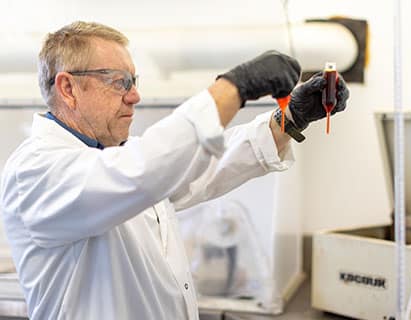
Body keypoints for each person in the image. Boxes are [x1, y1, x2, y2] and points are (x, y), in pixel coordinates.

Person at [0, 21, 349, 320]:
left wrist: (289, 120)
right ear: (68, 88)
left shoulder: (117, 157)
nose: (134, 95)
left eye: (134, 81)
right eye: (119, 81)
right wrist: (235, 86)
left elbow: (203, 167)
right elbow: (147, 169)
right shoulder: (35, 170)